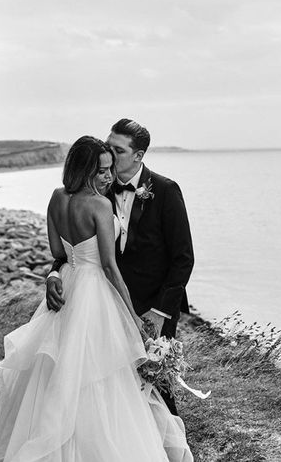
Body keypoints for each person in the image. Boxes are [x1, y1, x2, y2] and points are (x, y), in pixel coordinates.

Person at [0, 136, 193, 462]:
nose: (109, 177)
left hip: (68, 287)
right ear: (85, 170)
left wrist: (54, 275)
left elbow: (58, 254)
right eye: (102, 171)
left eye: (110, 170)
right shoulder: (100, 205)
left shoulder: (55, 198)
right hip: (95, 293)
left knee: (64, 369)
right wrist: (133, 319)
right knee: (99, 373)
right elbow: (109, 266)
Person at [46, 119, 195, 415]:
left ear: (138, 156)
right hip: (105, 302)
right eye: (108, 147)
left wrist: (161, 310)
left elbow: (183, 258)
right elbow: (74, 249)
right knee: (107, 383)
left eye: (118, 150)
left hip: (153, 305)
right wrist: (53, 273)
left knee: (158, 386)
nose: (110, 157)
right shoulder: (96, 189)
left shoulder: (165, 190)